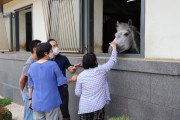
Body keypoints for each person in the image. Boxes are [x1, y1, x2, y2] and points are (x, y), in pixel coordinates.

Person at [28, 43, 77, 120]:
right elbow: (61, 81)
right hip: (51, 101)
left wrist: (30, 99)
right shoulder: (52, 64)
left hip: (36, 101)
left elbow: (30, 85)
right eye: (50, 51)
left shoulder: (32, 66)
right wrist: (72, 80)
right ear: (45, 53)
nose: (52, 53)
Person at [75, 42, 117, 120]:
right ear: (95, 61)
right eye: (96, 59)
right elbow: (112, 61)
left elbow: (77, 93)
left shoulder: (80, 76)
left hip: (85, 107)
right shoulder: (101, 69)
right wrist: (114, 48)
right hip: (98, 106)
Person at [47, 39, 80, 120]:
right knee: (53, 112)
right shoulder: (46, 60)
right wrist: (70, 80)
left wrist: (74, 68)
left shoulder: (63, 58)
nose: (56, 47)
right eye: (54, 46)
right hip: (50, 90)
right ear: (49, 48)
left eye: (57, 45)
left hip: (62, 88)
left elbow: (70, 69)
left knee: (65, 111)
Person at [19, 39, 41, 120]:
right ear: (35, 49)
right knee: (29, 117)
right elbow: (22, 80)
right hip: (29, 94)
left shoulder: (38, 60)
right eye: (40, 46)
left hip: (35, 93)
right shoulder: (30, 62)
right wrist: (22, 92)